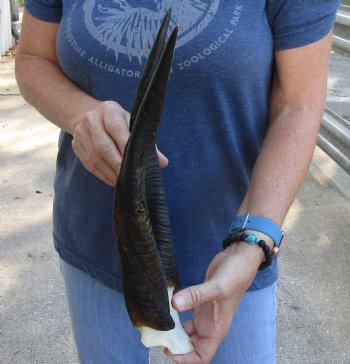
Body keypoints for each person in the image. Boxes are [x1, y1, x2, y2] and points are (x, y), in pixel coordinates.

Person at [16, 1, 340, 363]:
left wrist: (252, 243)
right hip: (98, 243)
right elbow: (32, 58)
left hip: (231, 254)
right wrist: (79, 115)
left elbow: (298, 105)